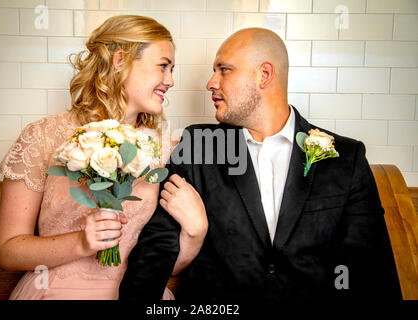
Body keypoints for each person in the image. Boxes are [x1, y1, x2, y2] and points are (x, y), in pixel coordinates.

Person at [119, 28, 402, 300]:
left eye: (224, 69)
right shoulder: (198, 146)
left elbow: (372, 272)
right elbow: (154, 252)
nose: (211, 83)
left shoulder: (345, 158)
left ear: (264, 75)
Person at [0, 15, 207, 300]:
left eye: (171, 69)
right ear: (120, 60)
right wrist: (81, 242)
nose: (170, 80)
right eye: (163, 66)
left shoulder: (166, 150)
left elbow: (162, 264)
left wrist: (196, 233)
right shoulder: (43, 136)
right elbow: (7, 251)